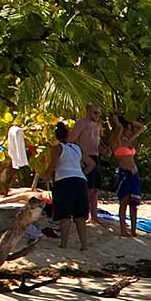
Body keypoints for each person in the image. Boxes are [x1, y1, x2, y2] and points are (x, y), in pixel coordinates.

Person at [41, 121, 92, 250]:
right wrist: (81, 173)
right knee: (80, 215)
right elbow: (91, 164)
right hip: (80, 180)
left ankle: (64, 244)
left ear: (56, 136)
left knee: (65, 214)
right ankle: (84, 245)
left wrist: (46, 175)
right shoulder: (76, 148)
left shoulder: (57, 148)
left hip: (64, 181)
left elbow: (54, 165)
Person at [109, 115, 147, 237]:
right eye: (129, 129)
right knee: (124, 202)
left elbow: (142, 128)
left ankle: (133, 231)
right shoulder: (116, 140)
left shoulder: (128, 140)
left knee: (134, 204)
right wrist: (117, 120)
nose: (131, 131)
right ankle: (123, 230)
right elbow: (119, 128)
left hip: (134, 173)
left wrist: (129, 120)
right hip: (124, 173)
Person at [71, 104, 105, 223]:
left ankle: (94, 216)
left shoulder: (97, 126)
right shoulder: (81, 123)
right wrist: (81, 155)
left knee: (95, 189)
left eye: (99, 114)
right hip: (85, 158)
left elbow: (96, 143)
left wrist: (103, 149)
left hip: (95, 157)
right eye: (95, 113)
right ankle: (82, 214)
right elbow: (71, 140)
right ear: (88, 112)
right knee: (87, 188)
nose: (98, 116)